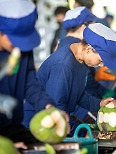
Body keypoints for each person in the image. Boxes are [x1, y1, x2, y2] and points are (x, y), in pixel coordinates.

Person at [26, 23, 116, 136]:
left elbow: (78, 94)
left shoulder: (80, 60)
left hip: (55, 121)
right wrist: (82, 133)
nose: (101, 65)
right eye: (101, 61)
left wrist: (99, 103)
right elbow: (57, 107)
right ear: (88, 49)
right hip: (39, 125)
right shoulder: (63, 65)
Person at [0, 0, 68, 144]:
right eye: (15, 40)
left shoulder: (22, 49)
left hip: (12, 126)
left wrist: (47, 105)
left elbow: (28, 81)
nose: (19, 46)